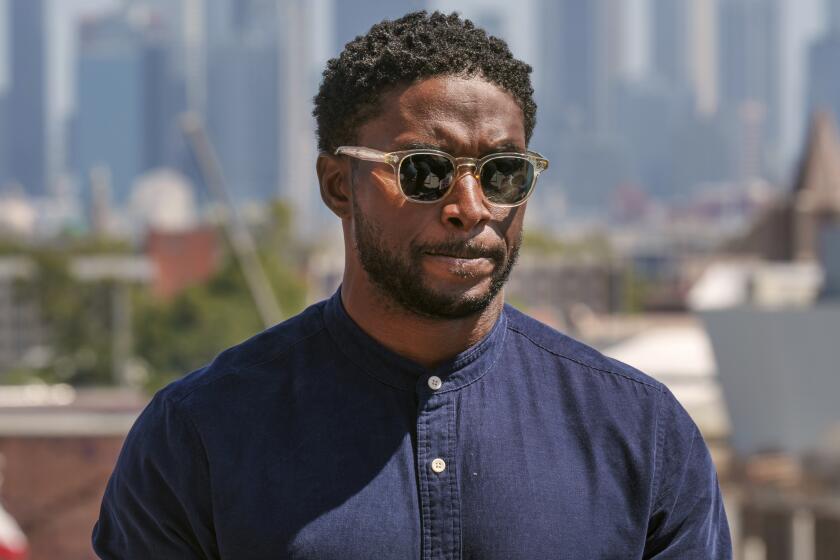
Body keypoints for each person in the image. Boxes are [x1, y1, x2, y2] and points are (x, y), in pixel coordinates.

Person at [93, 11, 731, 559]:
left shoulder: (639, 431)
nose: (471, 207)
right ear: (338, 185)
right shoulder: (201, 435)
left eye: (504, 172)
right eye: (424, 171)